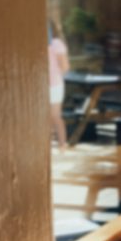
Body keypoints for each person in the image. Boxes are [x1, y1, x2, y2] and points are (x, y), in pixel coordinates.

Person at [48, 19, 70, 149]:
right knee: (46, 117)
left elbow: (65, 66)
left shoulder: (56, 44)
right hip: (43, 85)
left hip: (55, 85)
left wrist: (55, 76)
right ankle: (49, 143)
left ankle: (62, 144)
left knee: (55, 116)